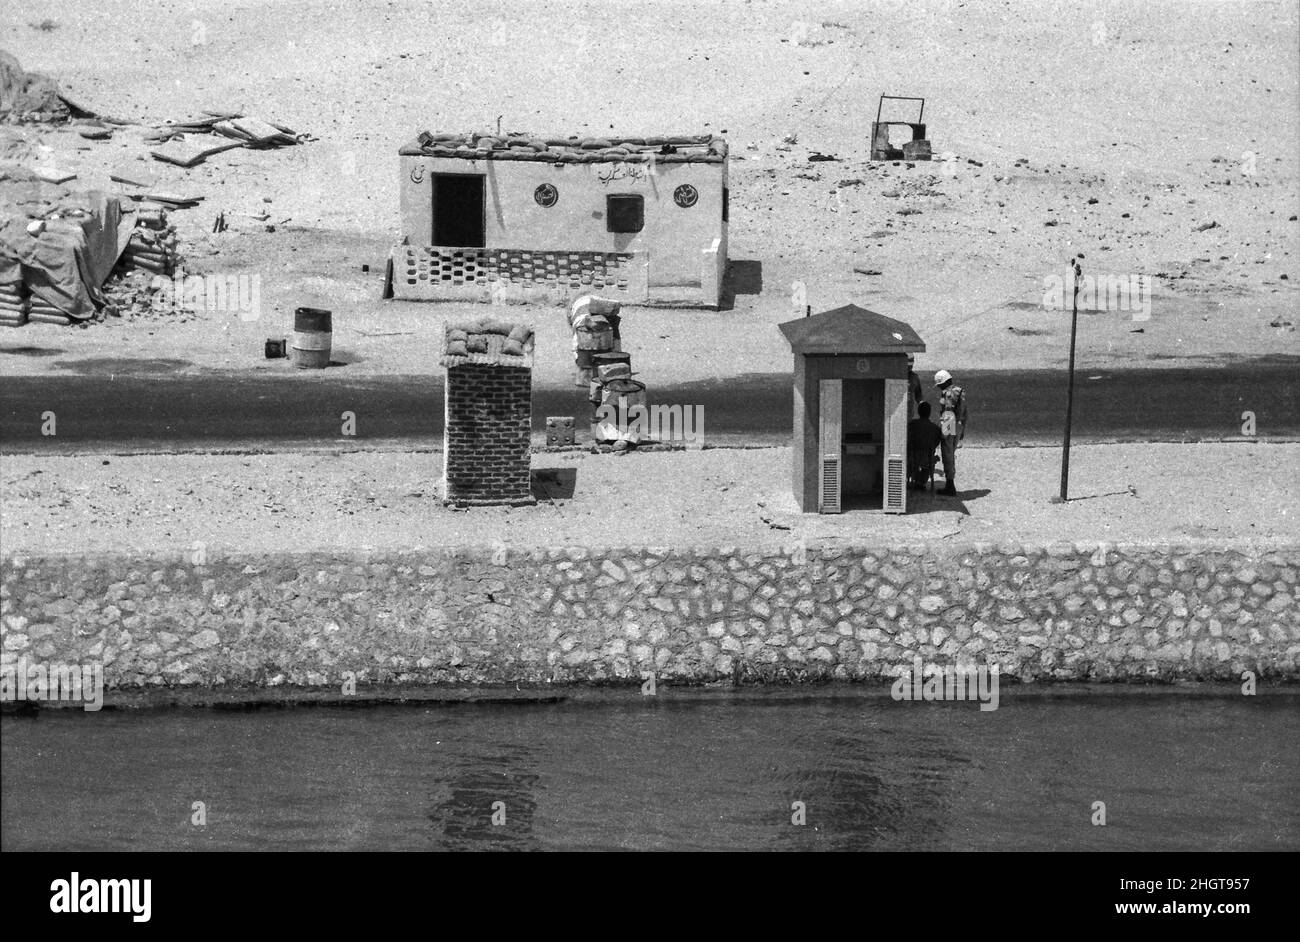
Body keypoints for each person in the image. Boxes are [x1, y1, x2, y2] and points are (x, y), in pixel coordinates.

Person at [934, 369, 967, 496]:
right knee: (951, 454)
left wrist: (944, 434)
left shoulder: (948, 394)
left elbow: (948, 413)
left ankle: (950, 486)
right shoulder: (959, 391)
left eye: (939, 385)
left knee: (947, 455)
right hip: (958, 426)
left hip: (950, 427)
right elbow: (964, 413)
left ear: (943, 383)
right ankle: (950, 484)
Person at [907, 401, 943, 490]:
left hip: (913, 457)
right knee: (928, 461)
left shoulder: (912, 425)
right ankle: (922, 482)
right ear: (929, 413)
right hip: (928, 458)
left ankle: (913, 480)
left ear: (918, 412)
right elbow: (936, 443)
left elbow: (907, 439)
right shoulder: (935, 429)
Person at [907, 355, 923, 419]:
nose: (910, 367)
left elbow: (918, 394)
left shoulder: (914, 377)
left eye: (911, 365)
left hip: (910, 412)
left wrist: (921, 403)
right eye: (908, 366)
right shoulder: (896, 377)